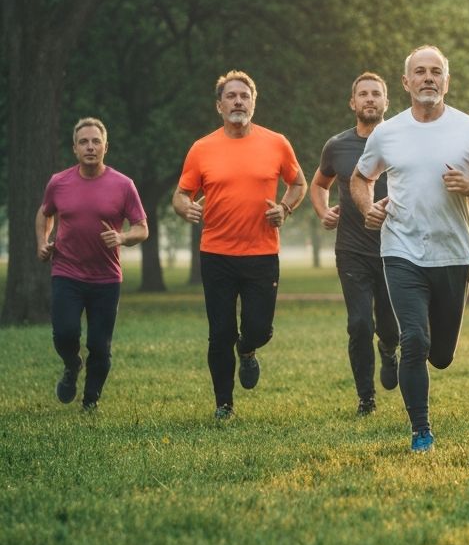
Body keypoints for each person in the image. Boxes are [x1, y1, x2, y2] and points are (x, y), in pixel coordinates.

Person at [350, 46, 469, 452]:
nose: (427, 78)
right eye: (419, 72)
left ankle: (428, 373)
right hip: (401, 250)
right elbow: (360, 177)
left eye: (435, 72)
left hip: (454, 254)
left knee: (440, 355)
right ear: (405, 83)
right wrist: (369, 208)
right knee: (415, 340)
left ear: (446, 81)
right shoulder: (388, 132)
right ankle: (421, 429)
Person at [172, 71, 307, 421]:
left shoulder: (276, 143)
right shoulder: (202, 148)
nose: (237, 102)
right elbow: (181, 194)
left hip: (262, 254)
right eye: (230, 96)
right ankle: (224, 405)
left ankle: (247, 350)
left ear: (253, 102)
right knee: (219, 333)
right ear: (219, 106)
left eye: (243, 96)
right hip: (216, 254)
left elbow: (299, 183)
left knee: (258, 329)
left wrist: (285, 208)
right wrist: (184, 206)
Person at [36, 117, 148, 411]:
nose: (90, 146)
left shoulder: (123, 185)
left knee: (100, 346)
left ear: (105, 147)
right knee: (64, 333)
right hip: (66, 272)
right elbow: (45, 213)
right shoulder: (58, 182)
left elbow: (142, 227)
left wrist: (122, 238)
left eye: (95, 141)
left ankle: (90, 400)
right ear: (74, 148)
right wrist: (42, 241)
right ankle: (72, 365)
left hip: (106, 278)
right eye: (83, 142)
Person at [309, 72, 399, 416]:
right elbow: (319, 184)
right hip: (351, 249)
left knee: (390, 327)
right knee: (360, 324)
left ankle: (389, 350)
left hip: (395, 248)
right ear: (353, 103)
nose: (370, 99)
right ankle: (366, 399)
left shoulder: (401, 139)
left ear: (386, 102)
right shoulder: (337, 146)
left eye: (376, 93)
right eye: (363, 94)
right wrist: (322, 212)